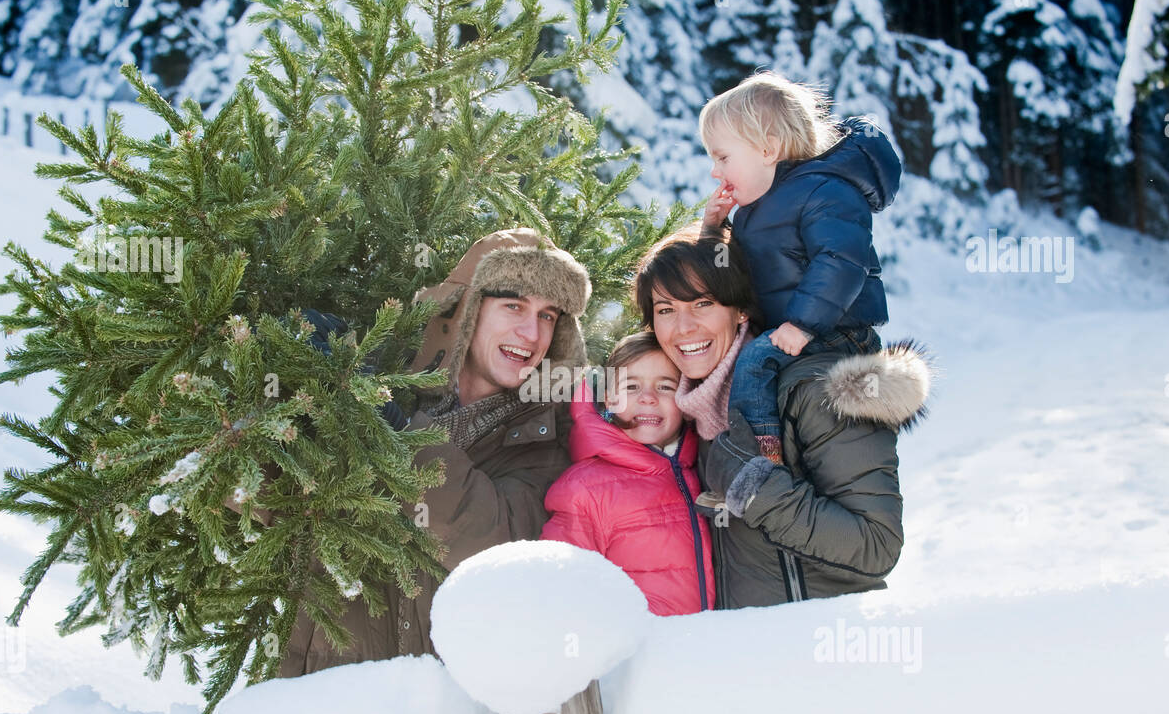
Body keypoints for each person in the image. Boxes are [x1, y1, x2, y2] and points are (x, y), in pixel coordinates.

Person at [260, 228, 592, 675]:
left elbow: (489, 540)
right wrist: (286, 372)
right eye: (513, 305)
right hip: (320, 687)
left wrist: (400, 433)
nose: (531, 333)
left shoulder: (547, 440)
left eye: (549, 315)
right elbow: (257, 497)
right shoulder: (380, 384)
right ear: (467, 311)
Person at [634, 221, 931, 606]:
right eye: (665, 309)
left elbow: (875, 547)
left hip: (828, 647)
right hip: (751, 655)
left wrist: (751, 486)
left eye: (703, 303)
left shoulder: (812, 392)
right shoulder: (691, 413)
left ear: (740, 310)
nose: (684, 327)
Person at [699, 72, 902, 466]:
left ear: (768, 150)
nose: (714, 171)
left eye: (723, 157)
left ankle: (763, 462)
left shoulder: (825, 191)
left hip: (838, 332)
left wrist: (803, 324)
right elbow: (729, 273)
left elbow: (842, 260)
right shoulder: (751, 214)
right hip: (795, 330)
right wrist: (713, 229)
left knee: (755, 363)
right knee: (738, 360)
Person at [539, 332, 715, 615]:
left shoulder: (704, 468)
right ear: (609, 400)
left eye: (666, 387)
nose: (648, 398)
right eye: (632, 386)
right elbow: (560, 588)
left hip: (707, 650)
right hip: (638, 653)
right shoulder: (585, 489)